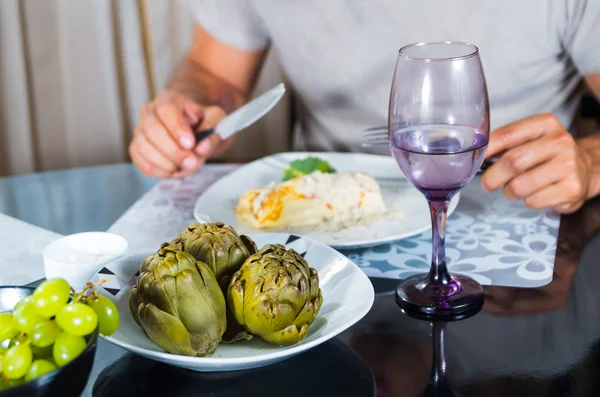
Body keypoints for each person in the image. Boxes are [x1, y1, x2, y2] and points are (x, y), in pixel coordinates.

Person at [129, 1, 600, 214]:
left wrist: (589, 161)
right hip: (317, 218)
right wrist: (188, 110)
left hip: (511, 221)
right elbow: (214, 76)